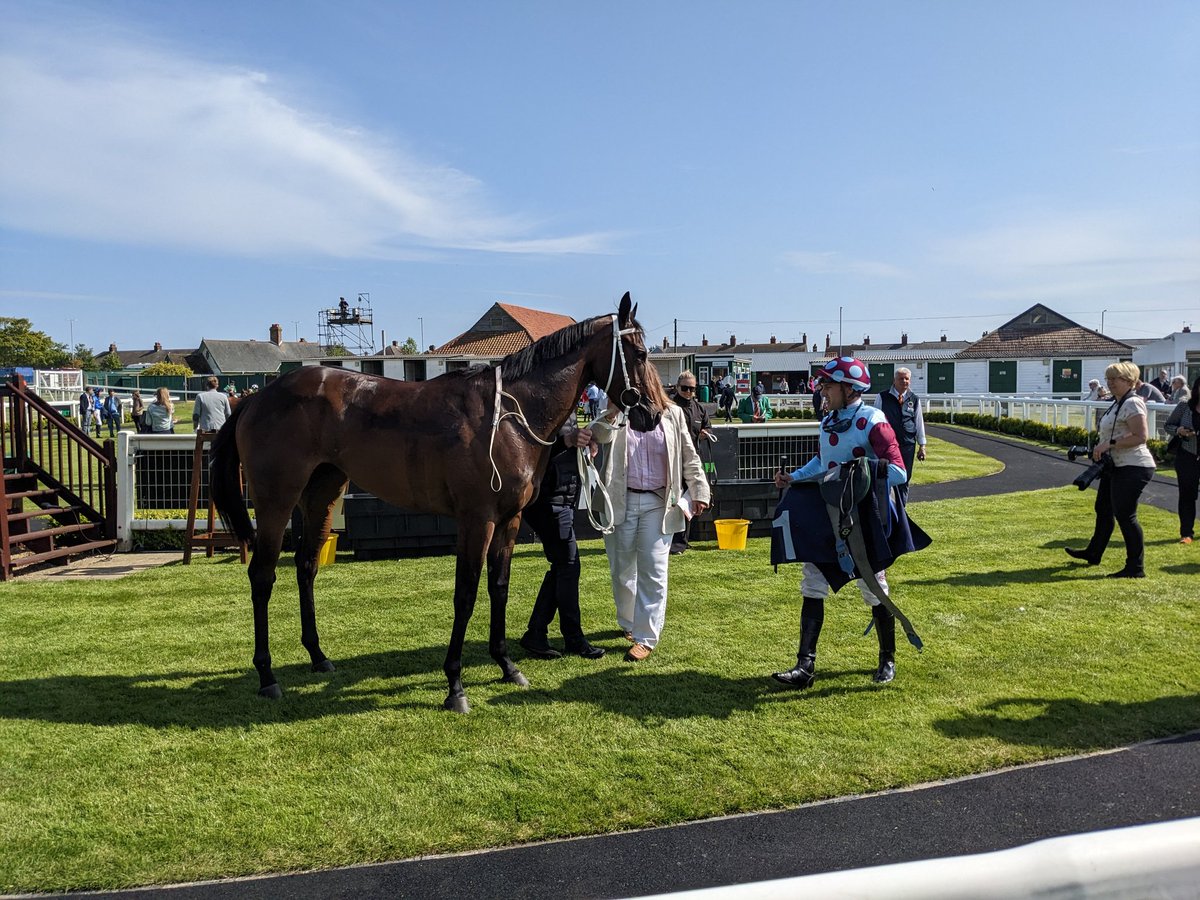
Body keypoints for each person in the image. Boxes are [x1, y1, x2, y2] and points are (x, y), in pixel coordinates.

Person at [771, 356, 925, 687]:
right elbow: (823, 461)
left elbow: (898, 471)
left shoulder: (873, 421)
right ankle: (805, 666)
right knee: (812, 580)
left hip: (866, 518)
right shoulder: (828, 421)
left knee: (872, 586)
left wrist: (859, 470)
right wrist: (794, 478)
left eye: (828, 386)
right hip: (830, 514)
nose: (823, 391)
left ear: (848, 388)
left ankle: (887, 660)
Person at [592, 377, 711, 661]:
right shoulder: (619, 411)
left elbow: (688, 455)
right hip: (621, 500)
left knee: (653, 569)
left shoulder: (673, 413)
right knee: (622, 570)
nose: (639, 389)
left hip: (659, 502)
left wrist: (699, 490)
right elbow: (598, 434)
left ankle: (646, 637)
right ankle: (629, 623)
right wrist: (612, 411)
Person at [517, 424, 606, 660]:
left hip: (560, 497)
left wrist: (583, 444)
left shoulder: (564, 411)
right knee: (568, 566)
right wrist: (566, 442)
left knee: (563, 567)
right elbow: (532, 450)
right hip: (548, 500)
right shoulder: (545, 412)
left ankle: (537, 633)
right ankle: (571, 637)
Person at [1064, 362, 1156, 577]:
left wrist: (1109, 444)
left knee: (1126, 515)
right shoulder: (1116, 403)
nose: (1110, 383)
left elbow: (1141, 436)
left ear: (1130, 380)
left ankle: (1135, 567)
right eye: (1108, 379)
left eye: (1116, 379)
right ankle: (1093, 553)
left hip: (1133, 466)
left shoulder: (1132, 403)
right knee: (1103, 509)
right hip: (1115, 465)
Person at [668, 370, 712, 555]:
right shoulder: (668, 406)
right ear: (677, 387)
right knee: (673, 501)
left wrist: (705, 433)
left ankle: (683, 541)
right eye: (684, 388)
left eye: (691, 389)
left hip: (692, 460)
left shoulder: (699, 409)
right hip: (671, 462)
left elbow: (707, 426)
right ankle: (673, 542)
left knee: (692, 500)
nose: (688, 392)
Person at [875, 367, 926, 505]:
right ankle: (887, 506)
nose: (904, 381)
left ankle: (902, 509)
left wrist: (922, 445)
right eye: (901, 378)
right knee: (887, 476)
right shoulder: (882, 397)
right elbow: (875, 422)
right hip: (888, 445)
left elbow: (919, 422)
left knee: (905, 478)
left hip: (907, 444)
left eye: (906, 378)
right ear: (894, 380)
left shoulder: (914, 399)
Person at [1164, 377, 1200, 545]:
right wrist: (1179, 430)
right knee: (1187, 495)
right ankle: (1186, 533)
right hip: (1187, 455)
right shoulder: (1184, 405)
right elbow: (1168, 425)